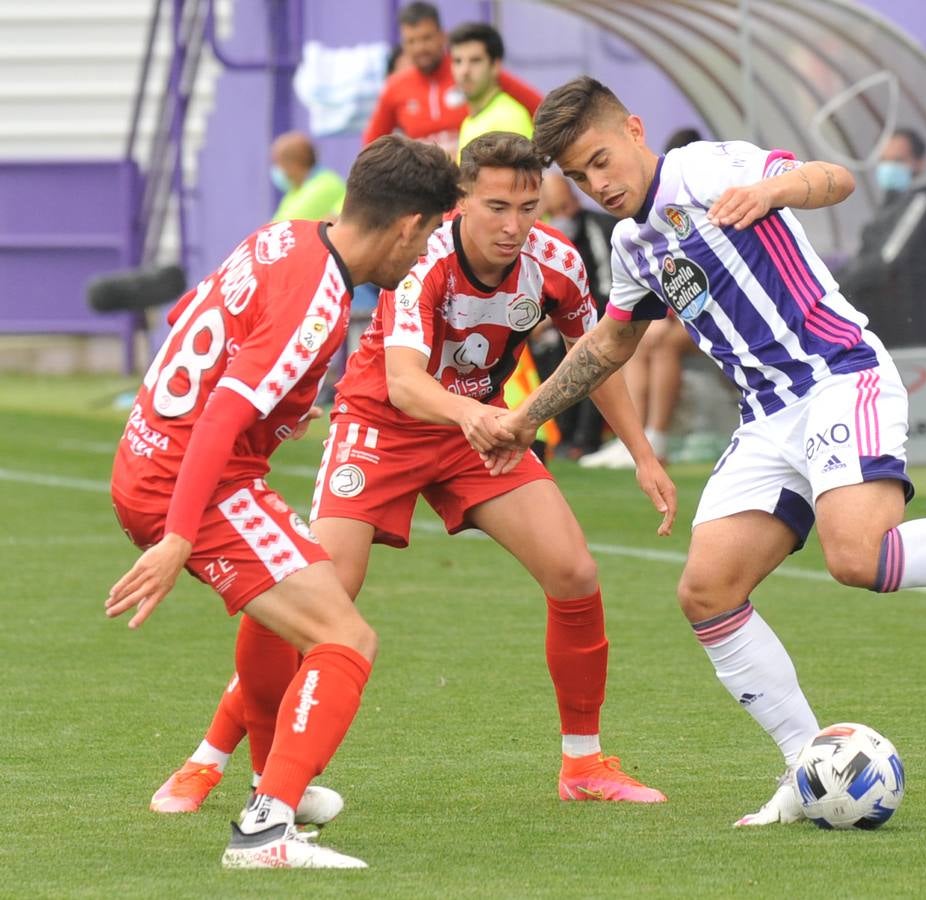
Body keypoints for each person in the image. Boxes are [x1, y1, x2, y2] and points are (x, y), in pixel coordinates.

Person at [481, 76, 926, 827]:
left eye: (600, 160)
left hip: (836, 375)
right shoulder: (632, 245)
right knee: (707, 591)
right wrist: (526, 418)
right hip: (766, 417)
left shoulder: (703, 168)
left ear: (633, 129)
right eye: (577, 176)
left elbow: (836, 178)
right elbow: (611, 342)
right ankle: (805, 765)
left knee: (857, 557)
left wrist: (774, 190)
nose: (597, 184)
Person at [146, 131, 673, 816]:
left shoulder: (557, 263)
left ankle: (584, 764)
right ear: (461, 202)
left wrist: (642, 454)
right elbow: (403, 383)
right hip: (380, 428)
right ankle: (207, 758)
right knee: (316, 599)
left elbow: (593, 357)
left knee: (574, 572)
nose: (514, 226)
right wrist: (475, 415)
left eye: (528, 208)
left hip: (473, 436)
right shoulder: (424, 256)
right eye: (497, 207)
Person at [107, 135, 461, 868]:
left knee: (292, 618)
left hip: (153, 455)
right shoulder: (321, 297)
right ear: (406, 226)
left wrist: (273, 403)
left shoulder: (284, 237)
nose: (427, 251)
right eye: (430, 233)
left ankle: (276, 786)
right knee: (346, 639)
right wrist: (178, 536)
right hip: (196, 484)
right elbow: (219, 419)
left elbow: (189, 316)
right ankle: (265, 832)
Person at [578, 126, 702, 470]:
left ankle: (656, 438)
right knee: (636, 338)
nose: (597, 185)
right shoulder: (642, 224)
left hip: (707, 316)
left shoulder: (707, 192)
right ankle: (634, 440)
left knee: (661, 341)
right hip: (682, 314)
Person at [836, 128, 926, 347]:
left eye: (897, 160)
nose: (888, 168)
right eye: (883, 160)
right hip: (885, 326)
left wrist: (835, 286)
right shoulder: (893, 205)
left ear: (919, 163)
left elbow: (886, 260)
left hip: (911, 328)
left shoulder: (923, 202)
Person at [362, 2, 540, 152]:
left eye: (426, 38)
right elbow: (371, 146)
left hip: (476, 173)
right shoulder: (395, 86)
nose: (419, 48)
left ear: (442, 36)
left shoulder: (470, 69)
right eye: (411, 41)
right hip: (424, 179)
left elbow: (540, 109)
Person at [538, 172, 617, 457]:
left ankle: (585, 439)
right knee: (548, 348)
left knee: (589, 351)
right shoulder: (540, 238)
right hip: (559, 318)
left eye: (566, 205)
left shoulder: (598, 228)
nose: (564, 215)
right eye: (555, 210)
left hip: (600, 313)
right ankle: (561, 434)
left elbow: (608, 289)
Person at [451, 22, 534, 159]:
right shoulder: (469, 121)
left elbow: (527, 172)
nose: (464, 71)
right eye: (457, 61)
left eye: (475, 60)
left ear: (495, 65)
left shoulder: (510, 117)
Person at [268, 131, 346, 222]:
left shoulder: (325, 186)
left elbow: (287, 225)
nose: (276, 170)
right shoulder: (296, 188)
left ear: (293, 164)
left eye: (277, 163)